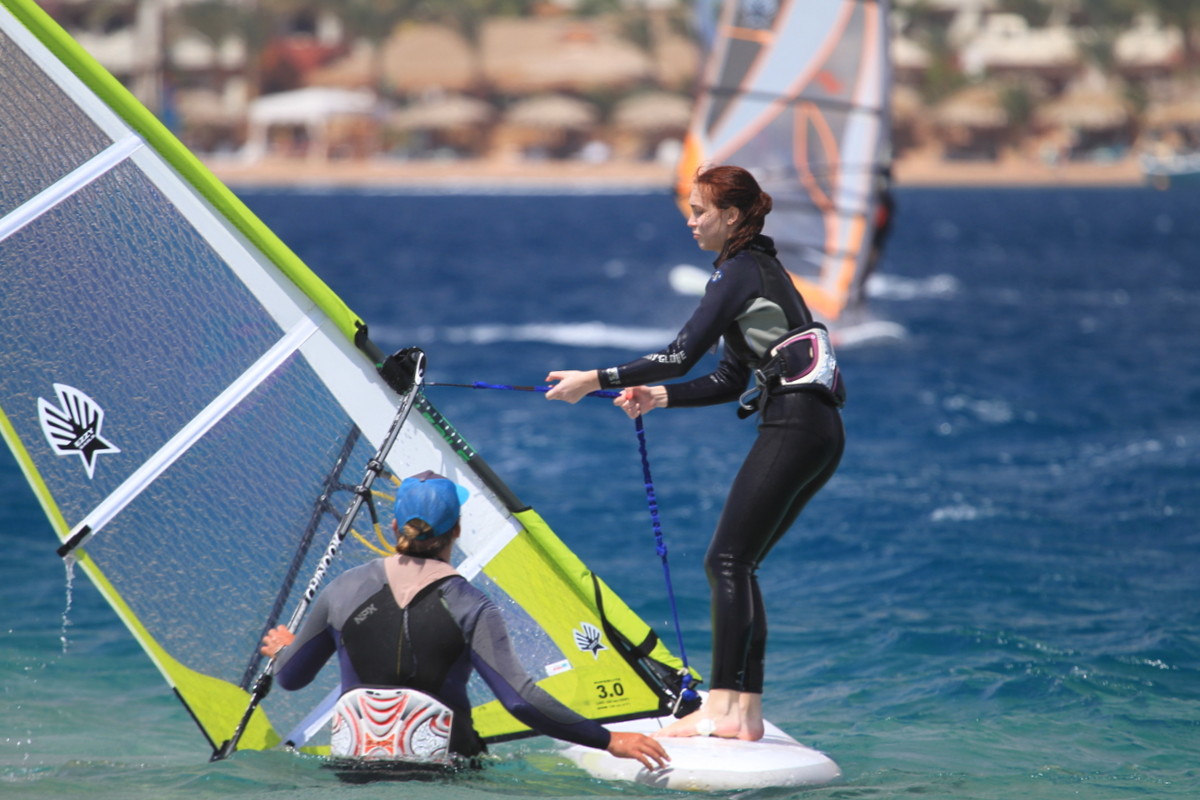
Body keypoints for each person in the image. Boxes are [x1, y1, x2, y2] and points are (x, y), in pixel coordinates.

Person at [544, 165, 845, 741]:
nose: (690, 221)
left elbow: (680, 354)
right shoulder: (755, 271)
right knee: (739, 563)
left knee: (725, 562)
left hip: (796, 425)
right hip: (816, 430)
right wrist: (658, 397)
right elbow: (732, 378)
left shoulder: (741, 271)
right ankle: (745, 715)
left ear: (730, 216)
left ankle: (722, 708)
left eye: (699, 211)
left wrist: (594, 378)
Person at [260, 470, 669, 770]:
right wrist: (608, 739)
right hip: (445, 773)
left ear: (396, 526)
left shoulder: (343, 590)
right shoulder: (471, 605)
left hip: (352, 772)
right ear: (457, 529)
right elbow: (520, 699)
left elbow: (291, 677)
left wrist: (284, 651)